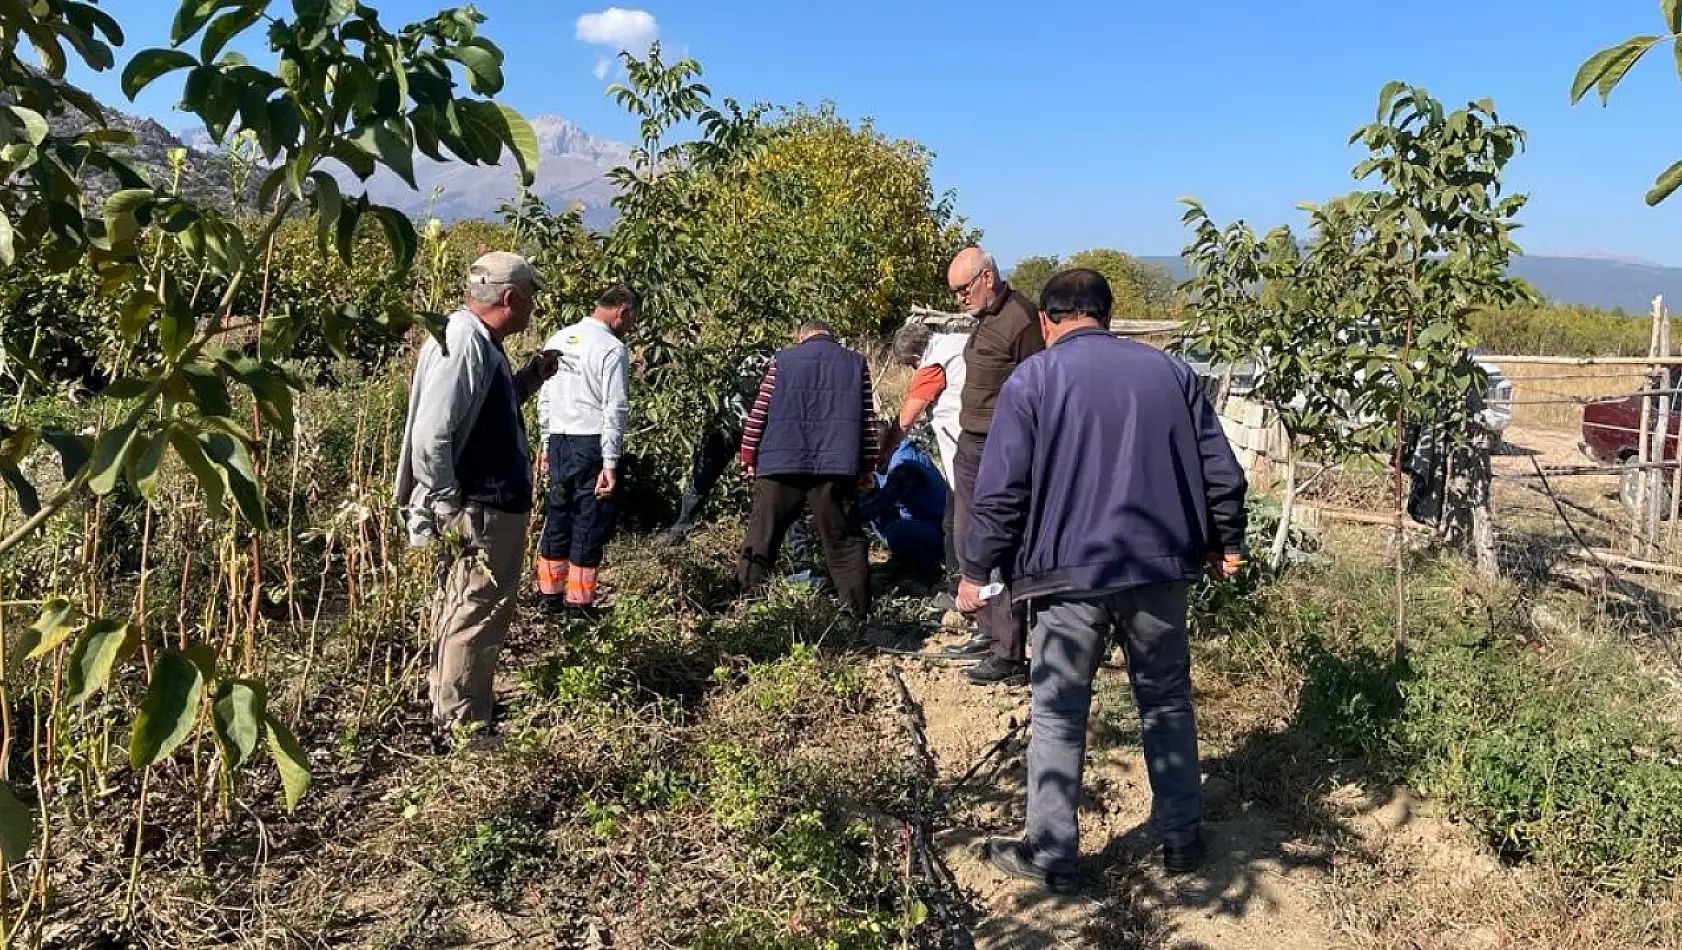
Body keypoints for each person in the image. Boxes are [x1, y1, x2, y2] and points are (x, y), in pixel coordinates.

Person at [957, 268, 1249, 892]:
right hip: (1159, 569)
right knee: (1166, 700)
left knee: (1059, 712)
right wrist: (1227, 541)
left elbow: (1002, 491)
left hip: (1066, 577)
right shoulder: (1171, 373)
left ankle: (1053, 854)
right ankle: (1181, 842)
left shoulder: (1032, 378)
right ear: (1108, 316)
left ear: (1046, 321)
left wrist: (977, 569)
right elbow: (1222, 472)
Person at [394, 251, 558, 741]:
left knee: (466, 608)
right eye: (529, 298)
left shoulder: (477, 341)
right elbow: (431, 438)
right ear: (511, 298)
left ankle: (458, 707)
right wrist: (449, 506)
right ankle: (462, 726)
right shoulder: (462, 342)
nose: (532, 310)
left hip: (485, 506)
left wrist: (530, 378)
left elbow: (482, 409)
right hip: (479, 509)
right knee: (474, 612)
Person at [947, 246, 1044, 685]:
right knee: (969, 539)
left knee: (998, 544)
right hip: (972, 441)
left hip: (1000, 447)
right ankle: (987, 631)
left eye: (963, 289)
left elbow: (1037, 384)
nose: (959, 299)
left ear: (987, 277)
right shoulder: (984, 316)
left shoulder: (1021, 319)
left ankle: (1009, 651)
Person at [736, 321, 878, 616]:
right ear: (832, 337)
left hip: (780, 463)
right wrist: (867, 466)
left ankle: (743, 604)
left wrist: (748, 456)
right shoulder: (855, 364)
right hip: (837, 466)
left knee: (762, 535)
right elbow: (867, 420)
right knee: (843, 540)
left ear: (800, 337)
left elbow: (758, 413)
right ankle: (857, 612)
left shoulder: (782, 361)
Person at [533, 285, 637, 615]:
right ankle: (579, 604)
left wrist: (546, 442)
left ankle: (548, 596)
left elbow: (544, 397)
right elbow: (614, 407)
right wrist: (610, 461)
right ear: (622, 311)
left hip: (561, 439)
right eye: (632, 319)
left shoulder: (559, 339)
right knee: (588, 521)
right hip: (591, 442)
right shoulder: (611, 348)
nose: (630, 326)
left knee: (557, 515)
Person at [882, 319, 969, 611]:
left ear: (915, 358)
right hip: (978, 444)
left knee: (956, 523)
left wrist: (881, 453)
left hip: (963, 450)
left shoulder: (933, 365)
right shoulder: (959, 344)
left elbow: (906, 419)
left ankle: (959, 588)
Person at [860, 422, 946, 578]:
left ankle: (927, 567)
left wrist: (839, 521)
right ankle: (905, 557)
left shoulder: (906, 464)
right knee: (869, 501)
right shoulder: (883, 462)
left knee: (893, 529)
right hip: (916, 522)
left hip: (937, 529)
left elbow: (886, 499)